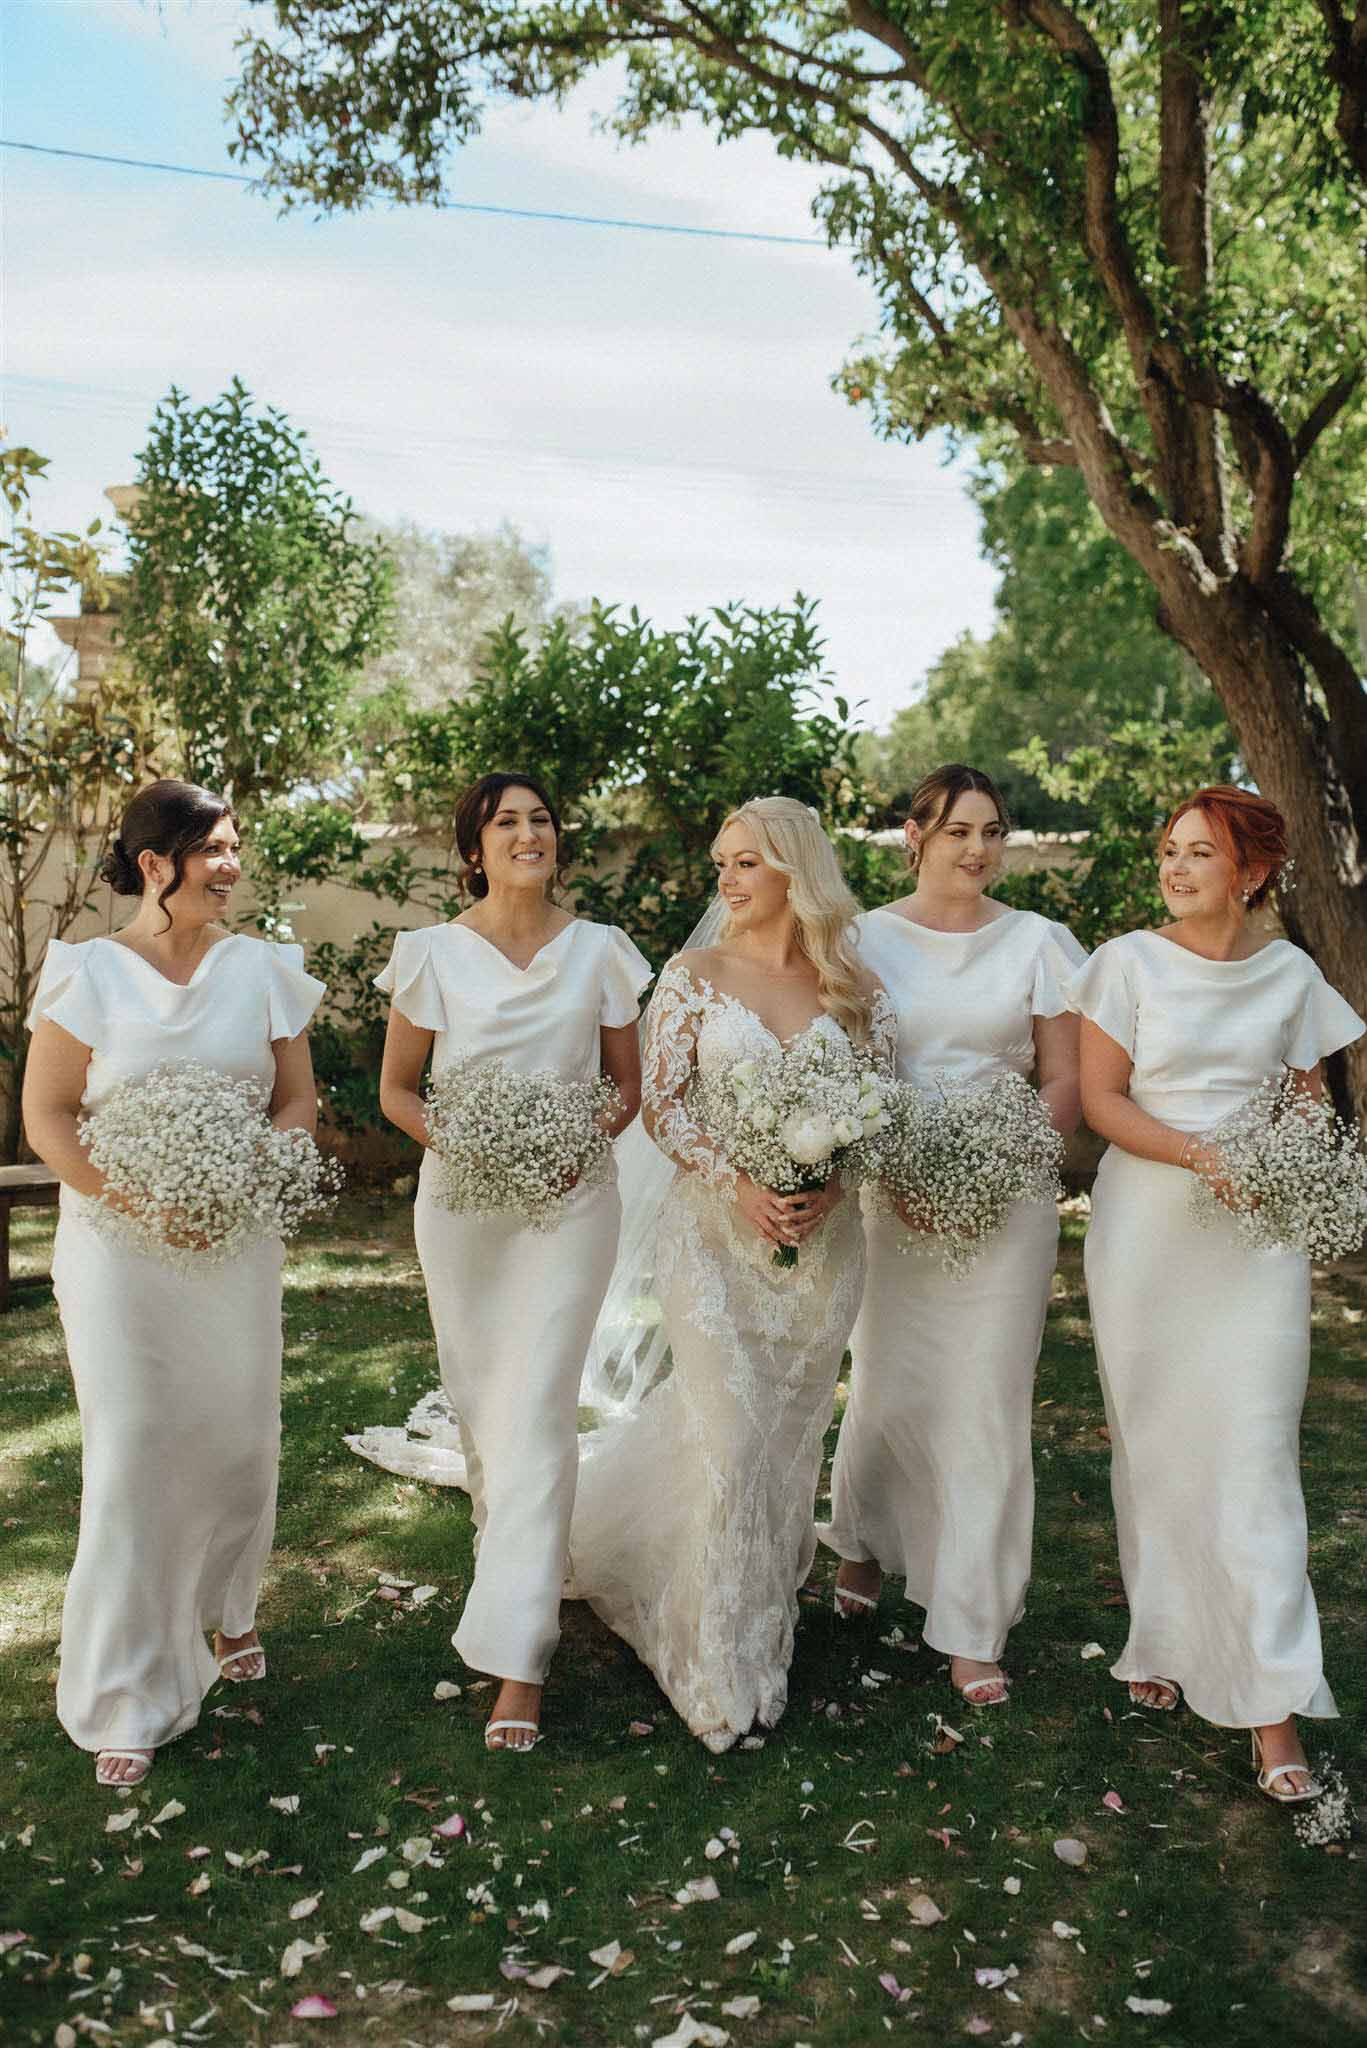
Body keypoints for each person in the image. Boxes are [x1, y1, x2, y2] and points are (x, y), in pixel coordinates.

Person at [567, 797, 896, 1753]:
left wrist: (831, 1186)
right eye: (723, 862)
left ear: (795, 871)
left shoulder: (854, 988)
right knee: (728, 1438)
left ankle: (760, 1620)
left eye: (746, 862)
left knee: (785, 1442)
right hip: (712, 1242)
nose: (727, 878)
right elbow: (664, 1107)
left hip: (821, 1248)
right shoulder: (694, 978)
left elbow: (879, 1106)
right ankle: (715, 1664)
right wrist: (739, 1180)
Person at [22, 779, 325, 1788]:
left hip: (234, 1240)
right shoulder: (88, 973)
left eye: (236, 847)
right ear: (155, 863)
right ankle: (126, 1688)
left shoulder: (265, 969)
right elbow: (48, 1118)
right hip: (117, 1246)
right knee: (135, 1446)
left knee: (238, 1440)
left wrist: (251, 1174)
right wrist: (143, 1201)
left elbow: (296, 1100)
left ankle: (227, 1606)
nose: (231, 865)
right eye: (213, 849)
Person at [1072, 785, 1362, 1803]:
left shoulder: (1290, 973)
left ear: (1252, 870)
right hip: (1147, 1231)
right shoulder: (1124, 962)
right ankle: (1160, 1634)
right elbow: (1100, 1099)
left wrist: (1286, 1161)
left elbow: (1307, 1100)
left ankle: (1271, 1705)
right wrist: (1201, 1155)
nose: (1174, 867)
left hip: (1256, 1241)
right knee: (1155, 1442)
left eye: (1198, 851)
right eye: (1168, 850)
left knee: (1251, 1453)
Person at [375, 772, 650, 1752]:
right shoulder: (431, 954)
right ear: (474, 848)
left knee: (537, 1412)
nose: (527, 832)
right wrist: (471, 1143)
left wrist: (574, 1142)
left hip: (572, 1204)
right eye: (506, 822)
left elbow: (625, 1086)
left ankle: (518, 1658)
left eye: (540, 819)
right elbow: (398, 1090)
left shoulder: (600, 951)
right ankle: (514, 1556)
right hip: (463, 1210)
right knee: (487, 1411)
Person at [820, 764, 1086, 1707]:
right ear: (915, 836)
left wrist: (998, 1166)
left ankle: (972, 1622)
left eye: (991, 832)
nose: (977, 850)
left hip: (1008, 1199)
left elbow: (1063, 1080)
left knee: (985, 1401)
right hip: (892, 1193)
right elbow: (847, 1072)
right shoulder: (861, 941)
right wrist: (901, 1174)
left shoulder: (1039, 942)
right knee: (889, 1384)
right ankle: (863, 1541)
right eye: (957, 832)